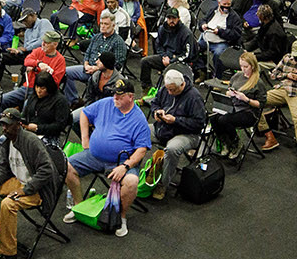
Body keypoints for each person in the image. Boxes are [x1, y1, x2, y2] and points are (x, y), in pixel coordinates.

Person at [62, 77, 152, 237]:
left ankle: (121, 217)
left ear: (130, 97)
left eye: (120, 96)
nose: (115, 98)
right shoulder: (107, 103)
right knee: (66, 167)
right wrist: (85, 139)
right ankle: (78, 206)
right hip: (94, 155)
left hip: (121, 161)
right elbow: (84, 113)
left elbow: (141, 150)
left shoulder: (139, 120)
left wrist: (125, 167)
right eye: (115, 95)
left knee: (131, 182)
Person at [0, 110, 57, 259]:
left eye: (8, 125)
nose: (4, 128)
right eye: (3, 125)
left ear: (18, 125)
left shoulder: (31, 141)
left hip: (36, 188)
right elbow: (1, 168)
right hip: (18, 181)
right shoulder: (7, 142)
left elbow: (47, 170)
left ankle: (8, 253)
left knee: (8, 204)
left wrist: (25, 190)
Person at [149, 68, 205, 197]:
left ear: (182, 84)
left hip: (187, 134)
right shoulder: (165, 89)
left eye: (173, 90)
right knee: (137, 133)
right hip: (163, 128)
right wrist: (157, 112)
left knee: (172, 149)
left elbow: (199, 124)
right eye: (168, 89)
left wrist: (176, 120)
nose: (170, 92)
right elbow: (154, 103)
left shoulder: (194, 97)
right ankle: (132, 173)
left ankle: (163, 184)